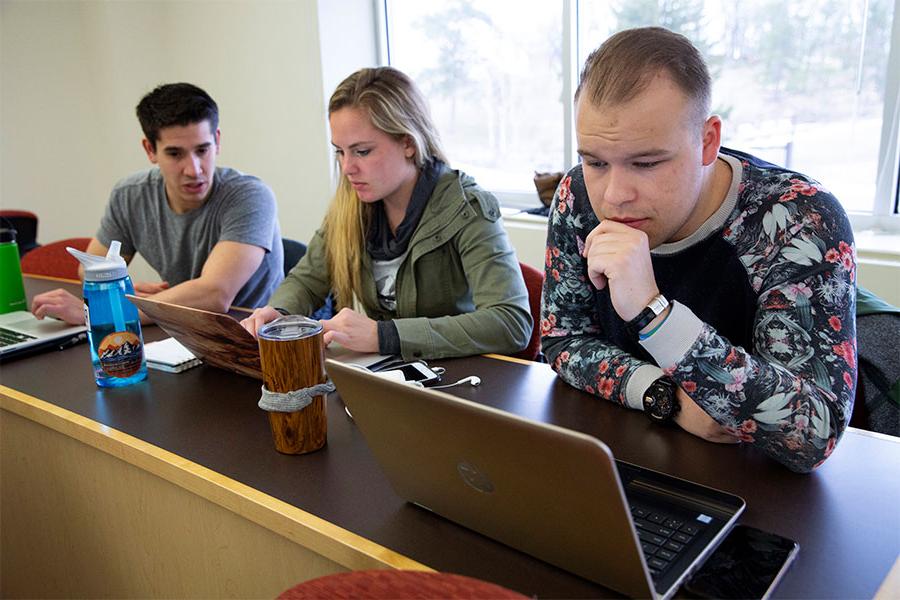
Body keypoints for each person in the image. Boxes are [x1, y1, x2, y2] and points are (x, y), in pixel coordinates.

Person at [541, 27, 856, 473]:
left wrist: (655, 315)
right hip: (619, 467)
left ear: (707, 141)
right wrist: (662, 396)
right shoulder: (576, 195)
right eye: (595, 161)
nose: (614, 195)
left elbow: (812, 432)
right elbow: (563, 340)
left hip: (756, 493)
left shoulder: (797, 218)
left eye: (646, 163)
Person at [241, 67, 531, 360]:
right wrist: (278, 314)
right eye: (339, 152)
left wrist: (385, 335)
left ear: (408, 143)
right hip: (387, 376)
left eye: (362, 151)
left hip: (460, 379)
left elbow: (510, 322)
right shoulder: (350, 204)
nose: (347, 168)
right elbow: (306, 281)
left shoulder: (468, 207)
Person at [32, 83, 283, 324]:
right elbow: (88, 269)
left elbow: (214, 294)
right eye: (175, 154)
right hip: (181, 328)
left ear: (217, 141)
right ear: (150, 149)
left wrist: (103, 314)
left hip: (253, 335)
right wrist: (122, 284)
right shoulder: (129, 194)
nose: (193, 170)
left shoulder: (250, 196)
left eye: (202, 150)